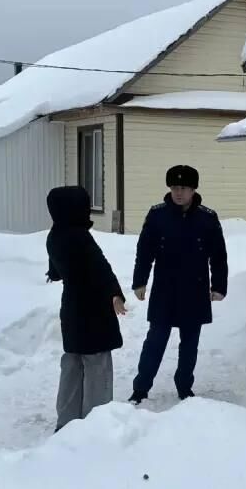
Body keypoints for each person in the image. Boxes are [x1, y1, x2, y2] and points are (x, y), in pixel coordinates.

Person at [128, 164, 228, 404]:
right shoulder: (157, 215)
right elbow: (144, 251)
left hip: (195, 289)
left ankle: (184, 387)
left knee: (190, 343)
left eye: (183, 188)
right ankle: (141, 388)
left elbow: (218, 255)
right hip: (165, 289)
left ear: (193, 189)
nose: (178, 192)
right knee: (156, 340)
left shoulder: (207, 217)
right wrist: (140, 281)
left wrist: (219, 285)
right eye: (174, 187)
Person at [45, 185, 127, 431]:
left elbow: (57, 272)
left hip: (71, 309)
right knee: (97, 366)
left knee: (72, 364)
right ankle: (96, 425)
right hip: (93, 311)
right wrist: (115, 294)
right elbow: (101, 268)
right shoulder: (80, 236)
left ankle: (66, 422)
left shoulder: (55, 234)